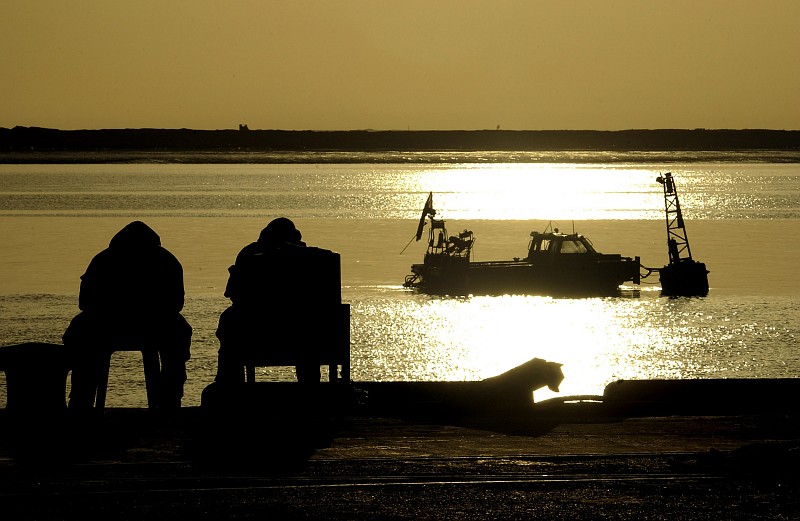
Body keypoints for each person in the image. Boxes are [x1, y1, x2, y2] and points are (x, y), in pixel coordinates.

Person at [63, 221, 192, 411]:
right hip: (154, 326)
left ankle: (82, 398)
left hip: (107, 326)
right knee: (179, 332)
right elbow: (177, 304)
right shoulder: (167, 260)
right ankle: (170, 399)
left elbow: (84, 303)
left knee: (79, 332)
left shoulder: (102, 259)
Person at [215, 217, 339, 384]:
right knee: (309, 325)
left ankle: (230, 385)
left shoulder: (248, 255)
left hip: (255, 335)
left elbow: (232, 294)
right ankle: (310, 387)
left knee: (229, 321)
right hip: (301, 338)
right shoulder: (311, 260)